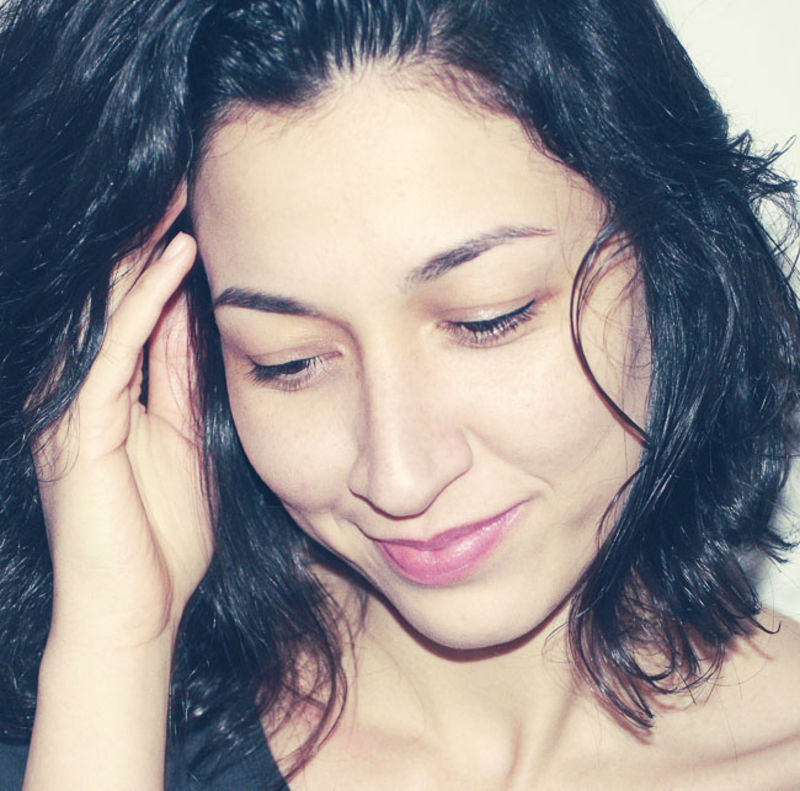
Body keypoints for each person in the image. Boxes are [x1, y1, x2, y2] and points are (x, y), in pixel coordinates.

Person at [1, 0, 799, 788]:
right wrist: (114, 643)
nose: (399, 476)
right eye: (289, 362)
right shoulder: (93, 714)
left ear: (672, 261)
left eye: (488, 319)